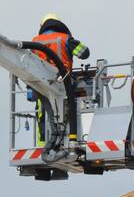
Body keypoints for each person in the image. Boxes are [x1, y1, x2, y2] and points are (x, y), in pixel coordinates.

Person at [29, 14, 91, 146]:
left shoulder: (35, 41)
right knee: (70, 111)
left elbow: (29, 64)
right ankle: (71, 139)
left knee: (42, 113)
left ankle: (44, 144)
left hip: (42, 85)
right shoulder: (65, 39)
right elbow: (85, 53)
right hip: (64, 83)